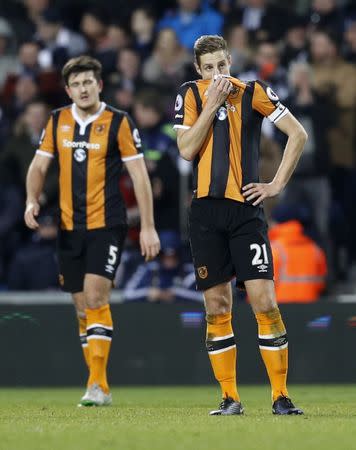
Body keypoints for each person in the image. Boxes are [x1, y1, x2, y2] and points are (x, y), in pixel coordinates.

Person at [173, 35, 307, 415]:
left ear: (231, 61)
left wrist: (276, 184)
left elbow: (298, 133)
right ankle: (230, 398)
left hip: (246, 212)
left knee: (265, 302)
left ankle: (280, 396)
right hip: (205, 215)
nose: (218, 74)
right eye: (210, 67)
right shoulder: (190, 95)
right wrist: (210, 105)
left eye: (223, 65)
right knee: (217, 306)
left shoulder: (253, 92)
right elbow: (185, 150)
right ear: (199, 70)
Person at [24, 55, 160, 407]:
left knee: (97, 296)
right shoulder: (57, 121)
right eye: (76, 84)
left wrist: (147, 227)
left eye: (89, 82)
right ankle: (99, 384)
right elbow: (39, 165)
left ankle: (96, 385)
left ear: (99, 85)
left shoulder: (119, 122)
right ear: (68, 90)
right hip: (69, 226)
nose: (83, 89)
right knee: (82, 307)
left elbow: (140, 177)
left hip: (107, 225)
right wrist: (31, 200)